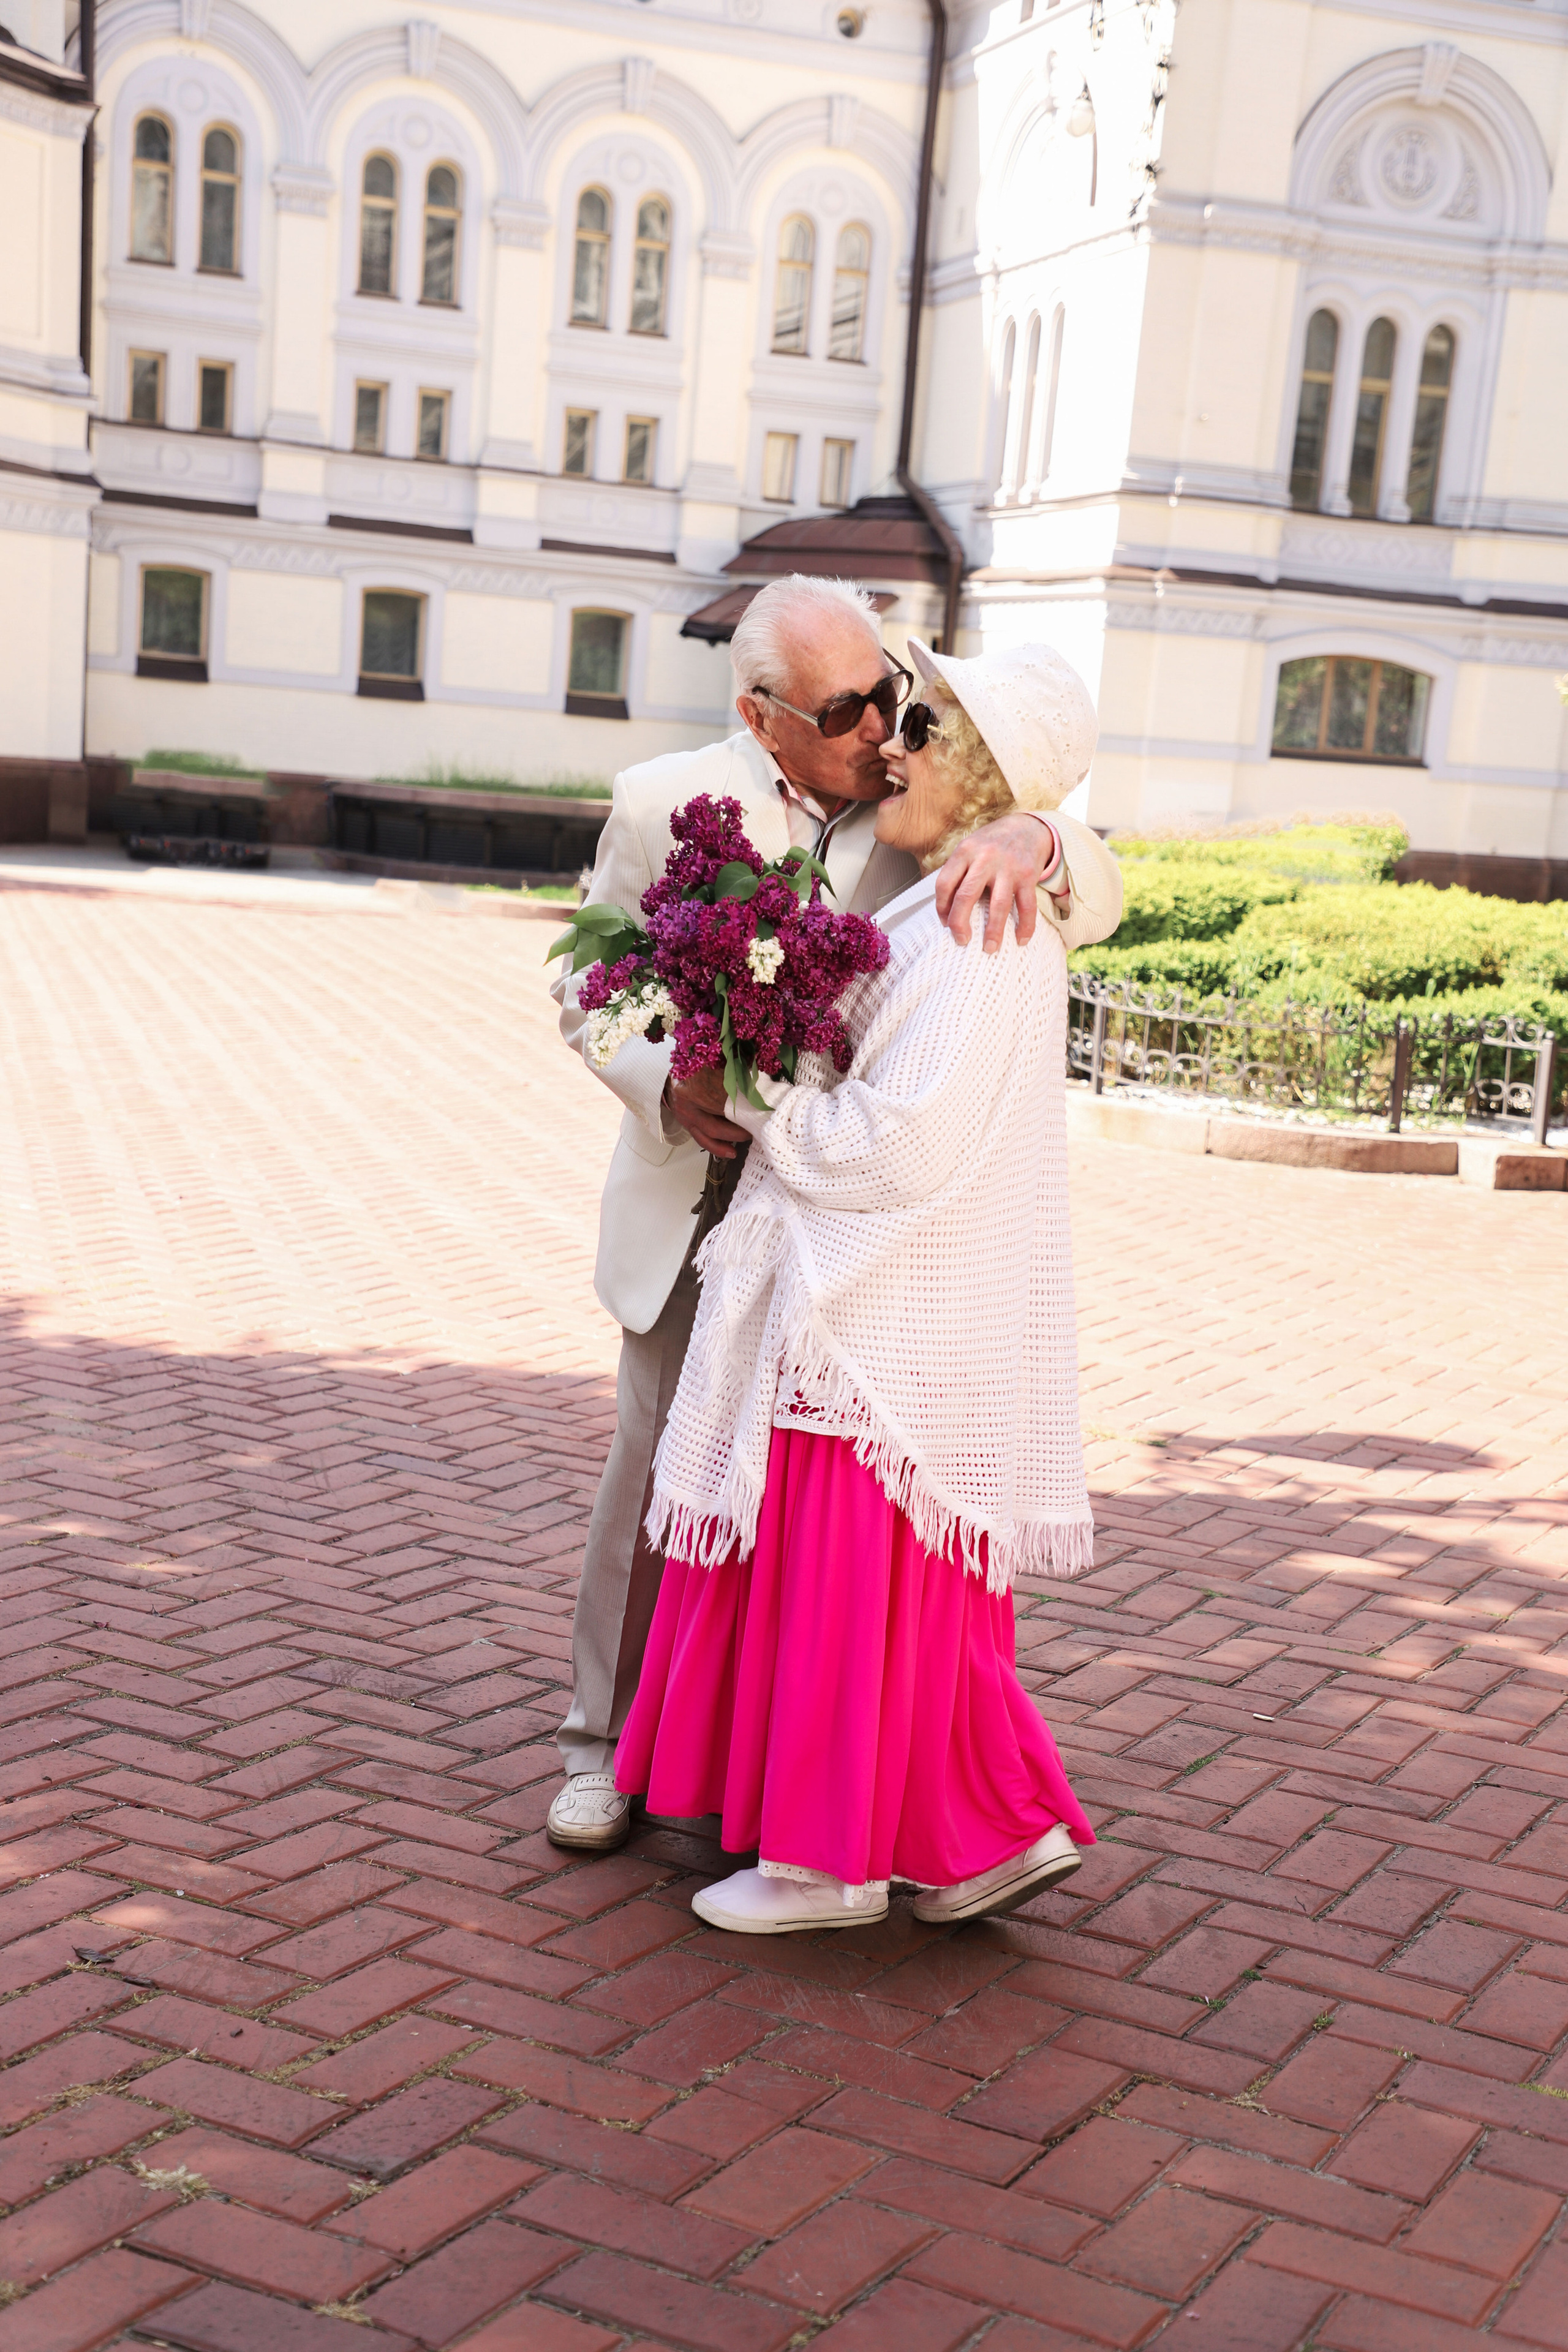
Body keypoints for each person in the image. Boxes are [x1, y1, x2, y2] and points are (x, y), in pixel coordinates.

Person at [548, 576, 1123, 1854]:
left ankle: (733, 1763)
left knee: (795, 1518)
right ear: (761, 715)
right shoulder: (659, 800)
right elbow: (587, 983)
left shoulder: (915, 803)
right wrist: (669, 1082)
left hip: (840, 1223)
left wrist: (1037, 840)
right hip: (691, 1192)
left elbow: (1097, 883)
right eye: (844, 709)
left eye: (888, 697)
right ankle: (600, 1749)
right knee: (657, 1479)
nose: (876, 728)